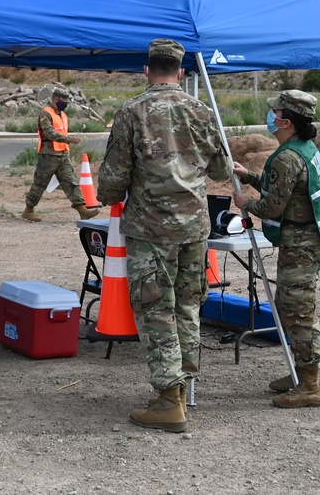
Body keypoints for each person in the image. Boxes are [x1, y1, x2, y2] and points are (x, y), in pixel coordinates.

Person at [96, 38, 230, 434]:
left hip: (152, 230)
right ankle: (183, 389)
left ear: (146, 70)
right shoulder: (201, 110)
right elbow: (222, 168)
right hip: (194, 228)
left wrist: (107, 197)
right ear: (182, 72)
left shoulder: (132, 112)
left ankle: (169, 400)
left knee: (156, 310)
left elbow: (114, 178)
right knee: (187, 306)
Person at [232, 89, 320, 408]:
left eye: (276, 112)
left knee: (297, 309)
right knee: (288, 303)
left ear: (286, 120)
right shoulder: (303, 149)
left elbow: (273, 206)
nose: (272, 116)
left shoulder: (288, 156)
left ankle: (310, 385)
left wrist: (246, 202)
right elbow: (287, 189)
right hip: (310, 237)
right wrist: (250, 176)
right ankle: (301, 374)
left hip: (303, 241)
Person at [22, 87, 100, 222]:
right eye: (63, 102)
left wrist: (66, 143)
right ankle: (28, 210)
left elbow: (61, 132)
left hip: (63, 155)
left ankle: (82, 210)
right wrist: (69, 139)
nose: (66, 104)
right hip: (49, 156)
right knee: (40, 183)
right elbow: (49, 133)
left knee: (71, 182)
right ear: (56, 99)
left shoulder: (63, 115)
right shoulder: (46, 114)